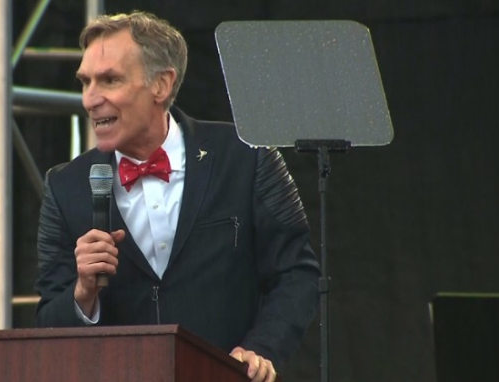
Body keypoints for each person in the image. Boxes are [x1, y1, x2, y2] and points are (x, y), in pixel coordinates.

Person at [34, 11, 320, 382]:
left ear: (162, 85)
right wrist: (82, 292)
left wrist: (261, 349)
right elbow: (46, 323)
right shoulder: (64, 187)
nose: (90, 99)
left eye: (110, 80)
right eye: (85, 82)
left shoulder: (247, 157)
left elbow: (297, 273)